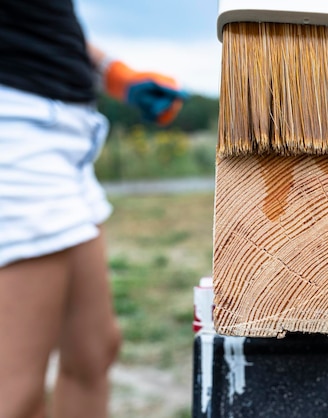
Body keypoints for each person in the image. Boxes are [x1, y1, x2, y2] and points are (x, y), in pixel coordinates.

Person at [0, 1, 187, 417]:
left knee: (94, 349)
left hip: (70, 128)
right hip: (15, 129)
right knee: (14, 394)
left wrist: (112, 73)